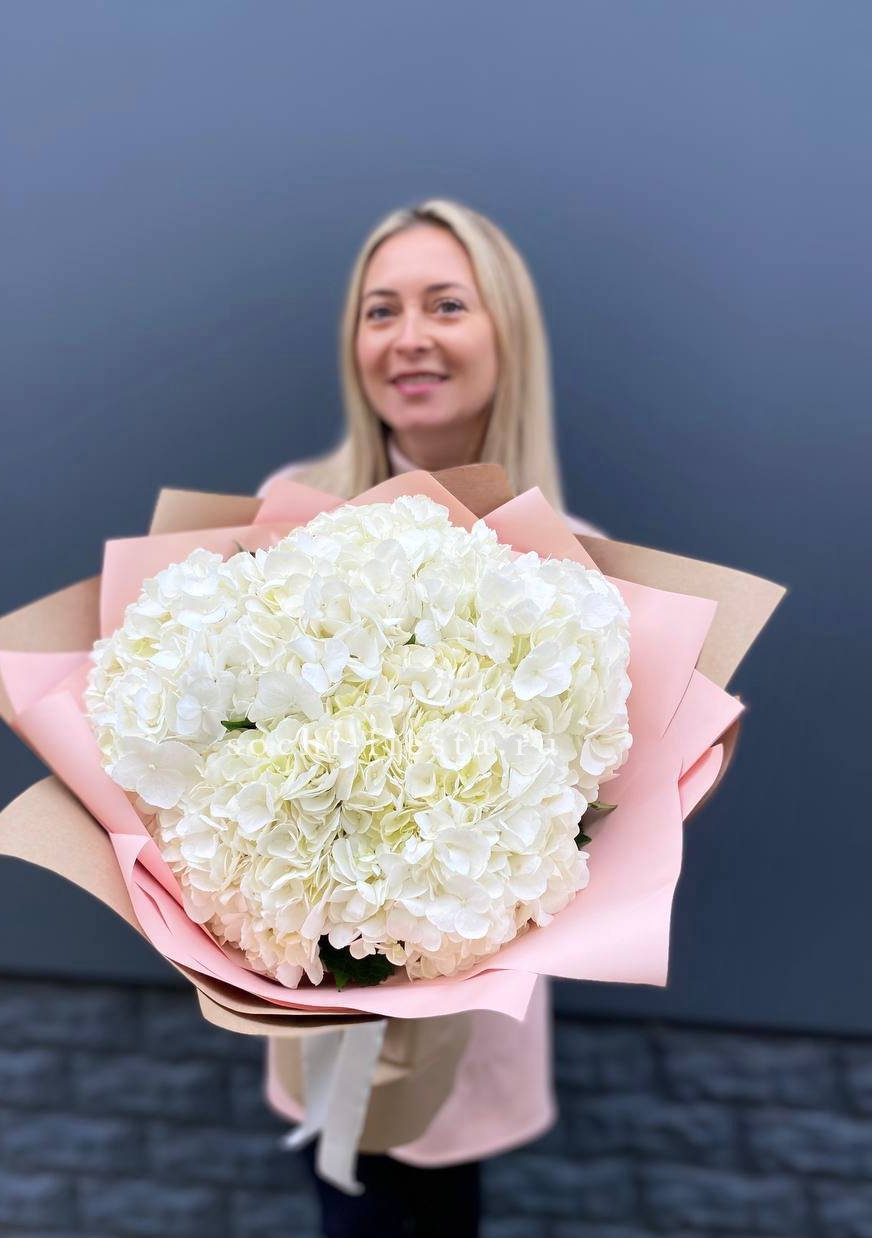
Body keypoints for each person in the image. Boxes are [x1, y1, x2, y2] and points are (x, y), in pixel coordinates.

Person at [255, 198, 604, 1238]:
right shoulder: (291, 517)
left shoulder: (575, 565)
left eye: (446, 305)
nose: (408, 337)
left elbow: (600, 812)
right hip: (321, 991)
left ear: (506, 329)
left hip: (471, 1004)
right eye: (381, 310)